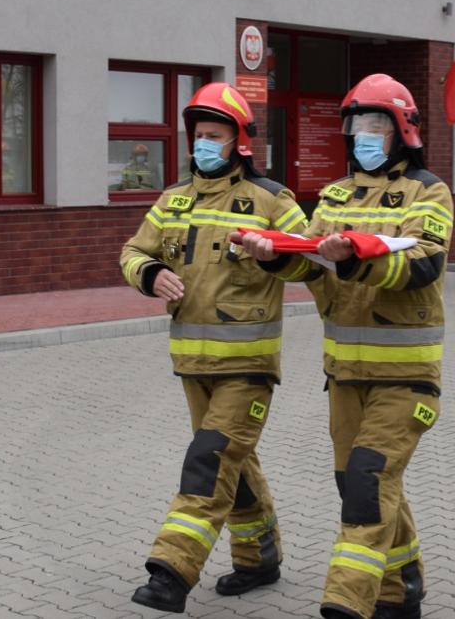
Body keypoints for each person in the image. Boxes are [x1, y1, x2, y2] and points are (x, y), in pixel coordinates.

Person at [238, 74, 449, 619]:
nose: (364, 136)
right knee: (359, 483)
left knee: (368, 480)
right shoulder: (335, 193)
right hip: (345, 372)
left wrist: (357, 255)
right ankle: (403, 590)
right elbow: (312, 260)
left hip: (406, 376)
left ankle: (348, 601)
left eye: (376, 125)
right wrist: (275, 255)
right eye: (356, 126)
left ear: (401, 130)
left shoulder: (430, 191)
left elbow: (424, 262)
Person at [121, 83, 306, 613]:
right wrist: (151, 273)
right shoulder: (173, 199)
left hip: (247, 366)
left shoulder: (272, 199)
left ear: (238, 141)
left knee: (207, 462)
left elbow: (309, 258)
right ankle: (259, 558)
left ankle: (172, 571)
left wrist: (275, 256)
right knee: (233, 462)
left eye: (214, 135)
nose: (204, 144)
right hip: (192, 363)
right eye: (199, 135)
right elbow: (133, 251)